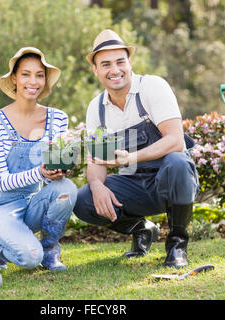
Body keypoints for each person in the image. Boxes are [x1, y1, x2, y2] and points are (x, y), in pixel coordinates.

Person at [73, 30, 200, 269]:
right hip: (133, 186)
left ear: (130, 62)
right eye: (106, 64)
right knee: (82, 200)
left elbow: (175, 141)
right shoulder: (96, 109)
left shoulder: (152, 87)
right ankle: (142, 229)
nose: (115, 70)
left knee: (177, 162)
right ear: (96, 70)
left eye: (120, 61)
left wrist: (132, 157)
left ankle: (177, 245)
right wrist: (97, 185)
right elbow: (97, 160)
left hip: (171, 180)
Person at [0, 47, 78, 271]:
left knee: (67, 188)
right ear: (14, 79)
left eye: (39, 75)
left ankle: (50, 252)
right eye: (25, 74)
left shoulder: (57, 118)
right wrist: (40, 172)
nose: (33, 81)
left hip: (31, 203)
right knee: (30, 258)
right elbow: (2, 180)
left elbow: (54, 169)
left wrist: (61, 168)